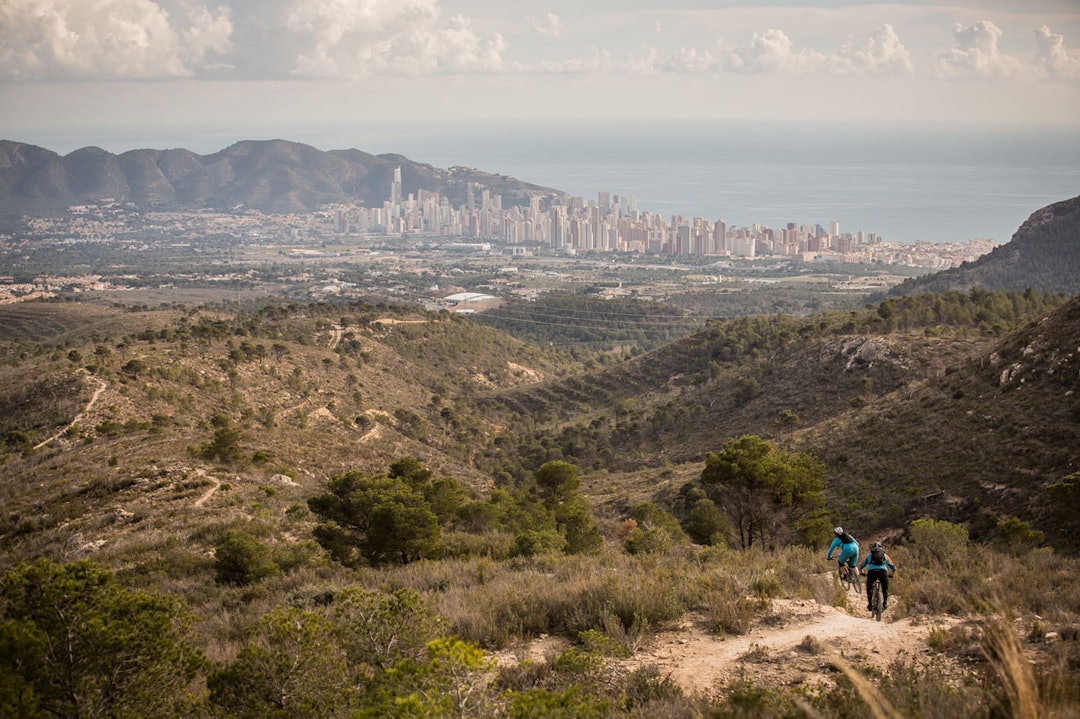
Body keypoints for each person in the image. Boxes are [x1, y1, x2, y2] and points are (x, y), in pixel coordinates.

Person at [859, 541, 897, 612]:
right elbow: (893, 567)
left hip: (872, 572)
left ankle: (870, 605)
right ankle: (885, 604)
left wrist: (862, 573)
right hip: (883, 572)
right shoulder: (885, 555)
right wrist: (891, 575)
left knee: (869, 587)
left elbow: (861, 566)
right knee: (885, 588)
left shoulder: (869, 555)